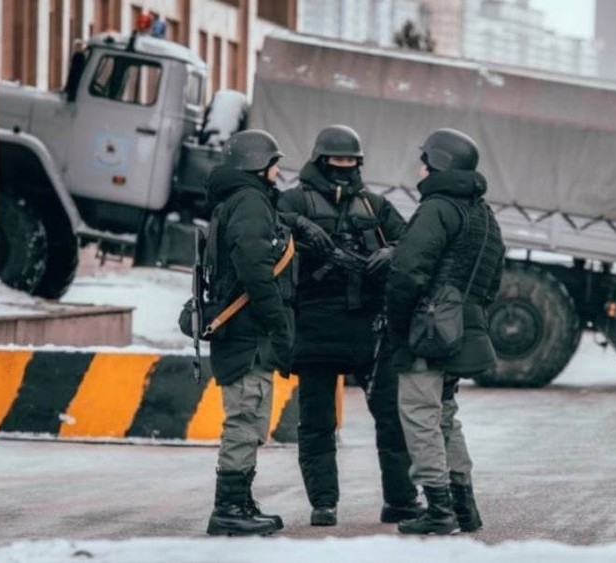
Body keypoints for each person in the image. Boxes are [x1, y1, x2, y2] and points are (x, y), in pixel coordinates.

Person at [277, 124, 421, 527]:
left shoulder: (374, 206)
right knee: (317, 424)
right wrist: (300, 226)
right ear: (320, 161)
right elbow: (264, 218)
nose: (343, 169)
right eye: (336, 161)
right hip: (315, 326)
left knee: (391, 418)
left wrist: (391, 253)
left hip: (369, 330)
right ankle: (323, 504)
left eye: (350, 162)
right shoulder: (294, 201)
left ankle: (401, 501)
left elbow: (413, 243)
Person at [204, 129, 333, 537]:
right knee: (244, 419)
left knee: (250, 419)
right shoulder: (249, 201)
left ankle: (240, 502)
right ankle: (229, 508)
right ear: (256, 165)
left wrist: (295, 223)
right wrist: (278, 323)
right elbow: (255, 267)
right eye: (273, 163)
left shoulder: (244, 200)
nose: (277, 171)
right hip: (248, 334)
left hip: (245, 333)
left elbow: (263, 231)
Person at [385, 128, 505, 535]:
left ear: (439, 164)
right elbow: (493, 279)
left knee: (420, 413)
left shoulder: (437, 208)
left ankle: (438, 510)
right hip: (464, 328)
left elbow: (407, 271)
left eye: (425, 161)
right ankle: (463, 507)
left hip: (429, 328)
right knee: (446, 415)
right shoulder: (484, 215)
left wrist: (400, 328)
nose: (420, 169)